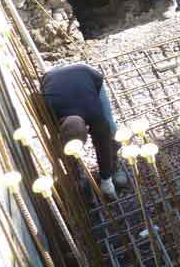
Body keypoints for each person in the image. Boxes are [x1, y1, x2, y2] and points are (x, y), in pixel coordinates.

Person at [41, 64, 124, 199]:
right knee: (67, 149)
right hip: (51, 77)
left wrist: (106, 181)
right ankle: (78, 174)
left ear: (87, 128)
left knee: (110, 129)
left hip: (85, 73)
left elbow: (103, 142)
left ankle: (114, 166)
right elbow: (55, 144)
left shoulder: (94, 114)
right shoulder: (49, 109)